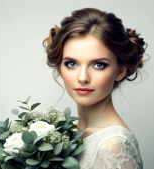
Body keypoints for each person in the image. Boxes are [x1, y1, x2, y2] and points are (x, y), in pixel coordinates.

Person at [42, 8, 146, 169]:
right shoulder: (61, 134)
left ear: (120, 71)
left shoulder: (114, 145)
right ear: (60, 69)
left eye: (98, 65)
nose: (83, 77)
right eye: (71, 64)